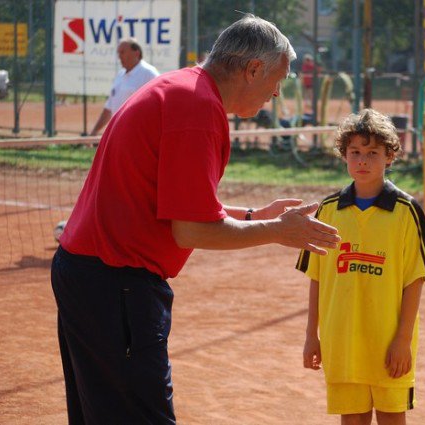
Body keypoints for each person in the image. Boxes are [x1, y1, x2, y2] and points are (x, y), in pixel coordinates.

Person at [51, 15, 340, 424]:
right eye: (277, 79)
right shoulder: (197, 106)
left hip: (94, 278)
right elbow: (189, 230)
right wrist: (276, 231)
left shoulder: (184, 88)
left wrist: (255, 216)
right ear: (252, 69)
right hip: (116, 284)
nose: (277, 93)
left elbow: (181, 208)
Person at [297, 109, 425, 425]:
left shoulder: (406, 211)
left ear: (390, 156)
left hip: (389, 343)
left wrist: (402, 340)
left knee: (391, 417)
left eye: (373, 153)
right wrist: (311, 335)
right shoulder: (328, 210)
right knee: (352, 419)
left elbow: (415, 280)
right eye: (355, 152)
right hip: (342, 341)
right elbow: (316, 278)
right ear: (343, 155)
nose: (362, 160)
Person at [89, 37, 160, 136]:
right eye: (118, 53)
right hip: (118, 134)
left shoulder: (149, 73)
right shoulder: (120, 75)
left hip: (138, 135)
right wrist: (94, 131)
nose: (119, 56)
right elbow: (109, 109)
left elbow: (159, 106)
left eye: (122, 52)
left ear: (136, 53)